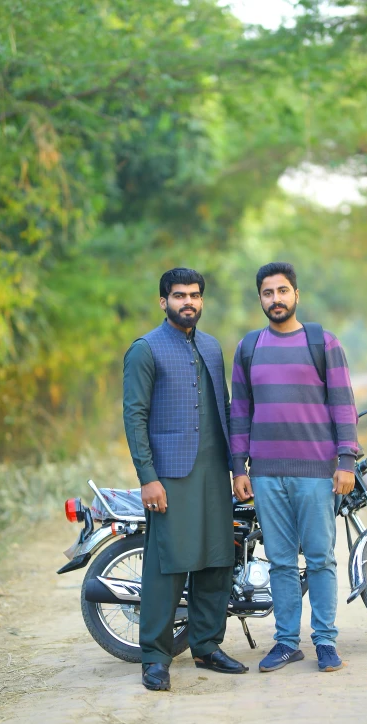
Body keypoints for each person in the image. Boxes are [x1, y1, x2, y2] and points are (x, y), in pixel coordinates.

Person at [123, 267, 248, 691]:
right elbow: (134, 416)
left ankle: (207, 647)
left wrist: (238, 468)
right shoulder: (146, 349)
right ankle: (155, 657)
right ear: (164, 301)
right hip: (170, 475)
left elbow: (226, 409)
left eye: (194, 295)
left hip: (215, 472)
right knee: (168, 564)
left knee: (217, 559)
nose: (188, 302)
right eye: (179, 296)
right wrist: (148, 477)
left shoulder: (212, 347)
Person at [230, 262, 358, 673]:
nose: (276, 299)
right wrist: (239, 467)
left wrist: (346, 461)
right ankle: (286, 643)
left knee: (320, 558)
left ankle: (324, 642)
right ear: (260, 299)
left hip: (316, 472)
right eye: (268, 293)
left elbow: (343, 404)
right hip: (266, 473)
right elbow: (240, 413)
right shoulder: (248, 348)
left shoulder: (323, 343)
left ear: (296, 295)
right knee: (282, 562)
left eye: (283, 291)